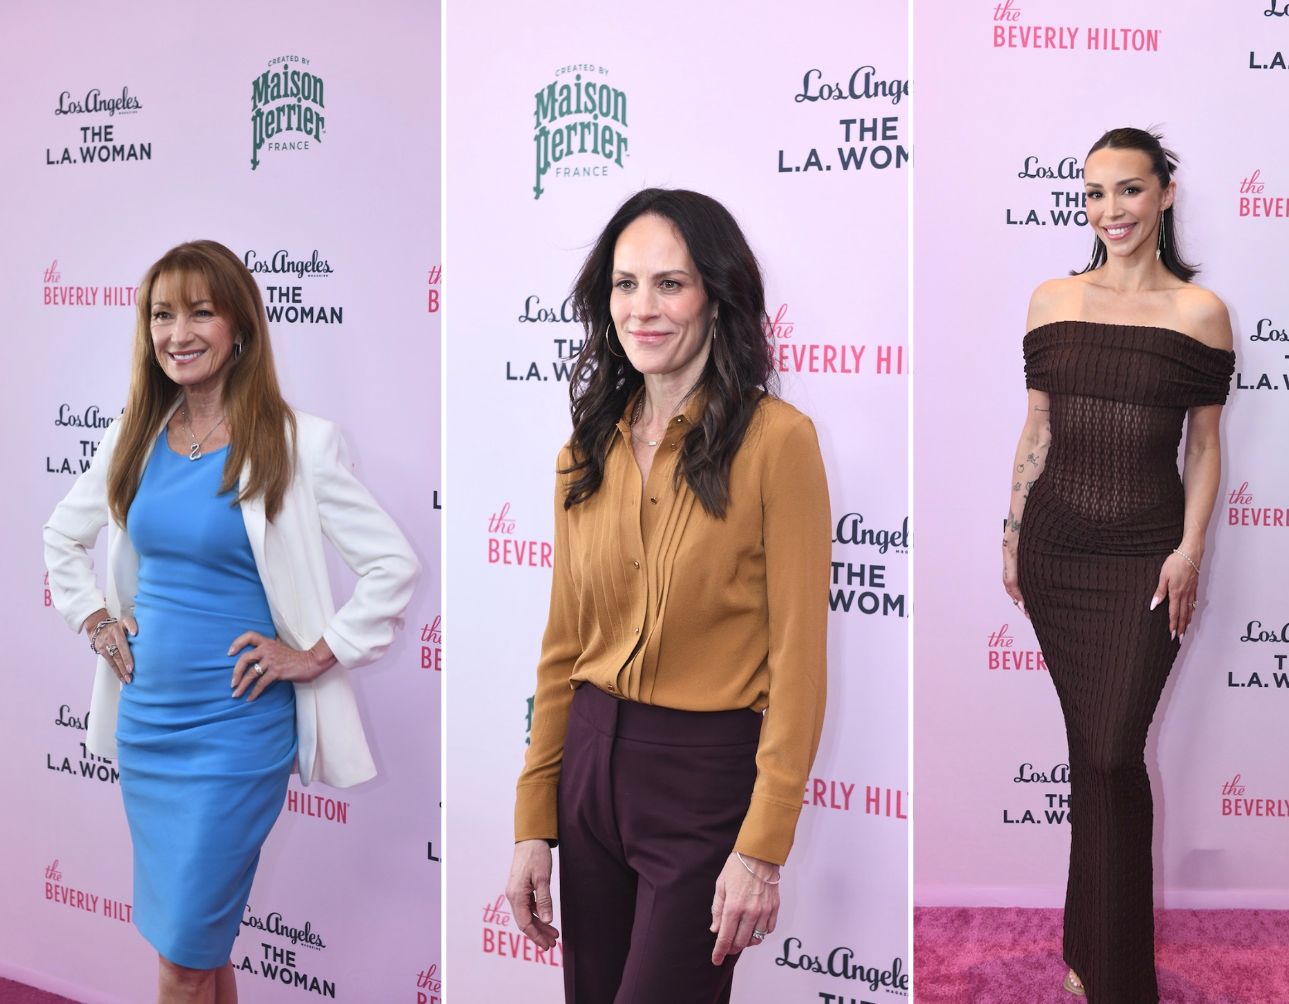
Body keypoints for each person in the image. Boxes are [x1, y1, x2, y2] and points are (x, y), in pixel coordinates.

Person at [42, 239, 418, 1004]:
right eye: (161, 315)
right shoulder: (134, 437)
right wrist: (96, 621)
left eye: (200, 312)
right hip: (148, 725)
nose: (177, 332)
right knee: (201, 953)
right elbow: (60, 536)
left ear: (239, 327)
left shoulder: (297, 442)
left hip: (236, 731)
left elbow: (392, 564)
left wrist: (315, 654)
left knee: (180, 960)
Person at [502, 188, 832, 1002]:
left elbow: (798, 661)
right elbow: (563, 649)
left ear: (718, 299)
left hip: (703, 780)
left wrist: (762, 848)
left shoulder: (778, 443)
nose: (642, 308)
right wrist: (532, 822)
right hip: (587, 768)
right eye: (625, 284)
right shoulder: (584, 452)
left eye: (670, 284)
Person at [1000, 126, 1234, 1002]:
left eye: (1129, 191)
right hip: (1059, 552)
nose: (1111, 211)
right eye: (1094, 193)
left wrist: (1191, 549)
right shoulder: (1051, 298)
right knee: (1087, 755)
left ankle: (1116, 972)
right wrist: (1013, 531)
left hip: (1146, 557)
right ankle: (1087, 947)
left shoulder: (1199, 312)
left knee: (1111, 753)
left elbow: (1205, 449)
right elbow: (1039, 430)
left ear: (1165, 194)